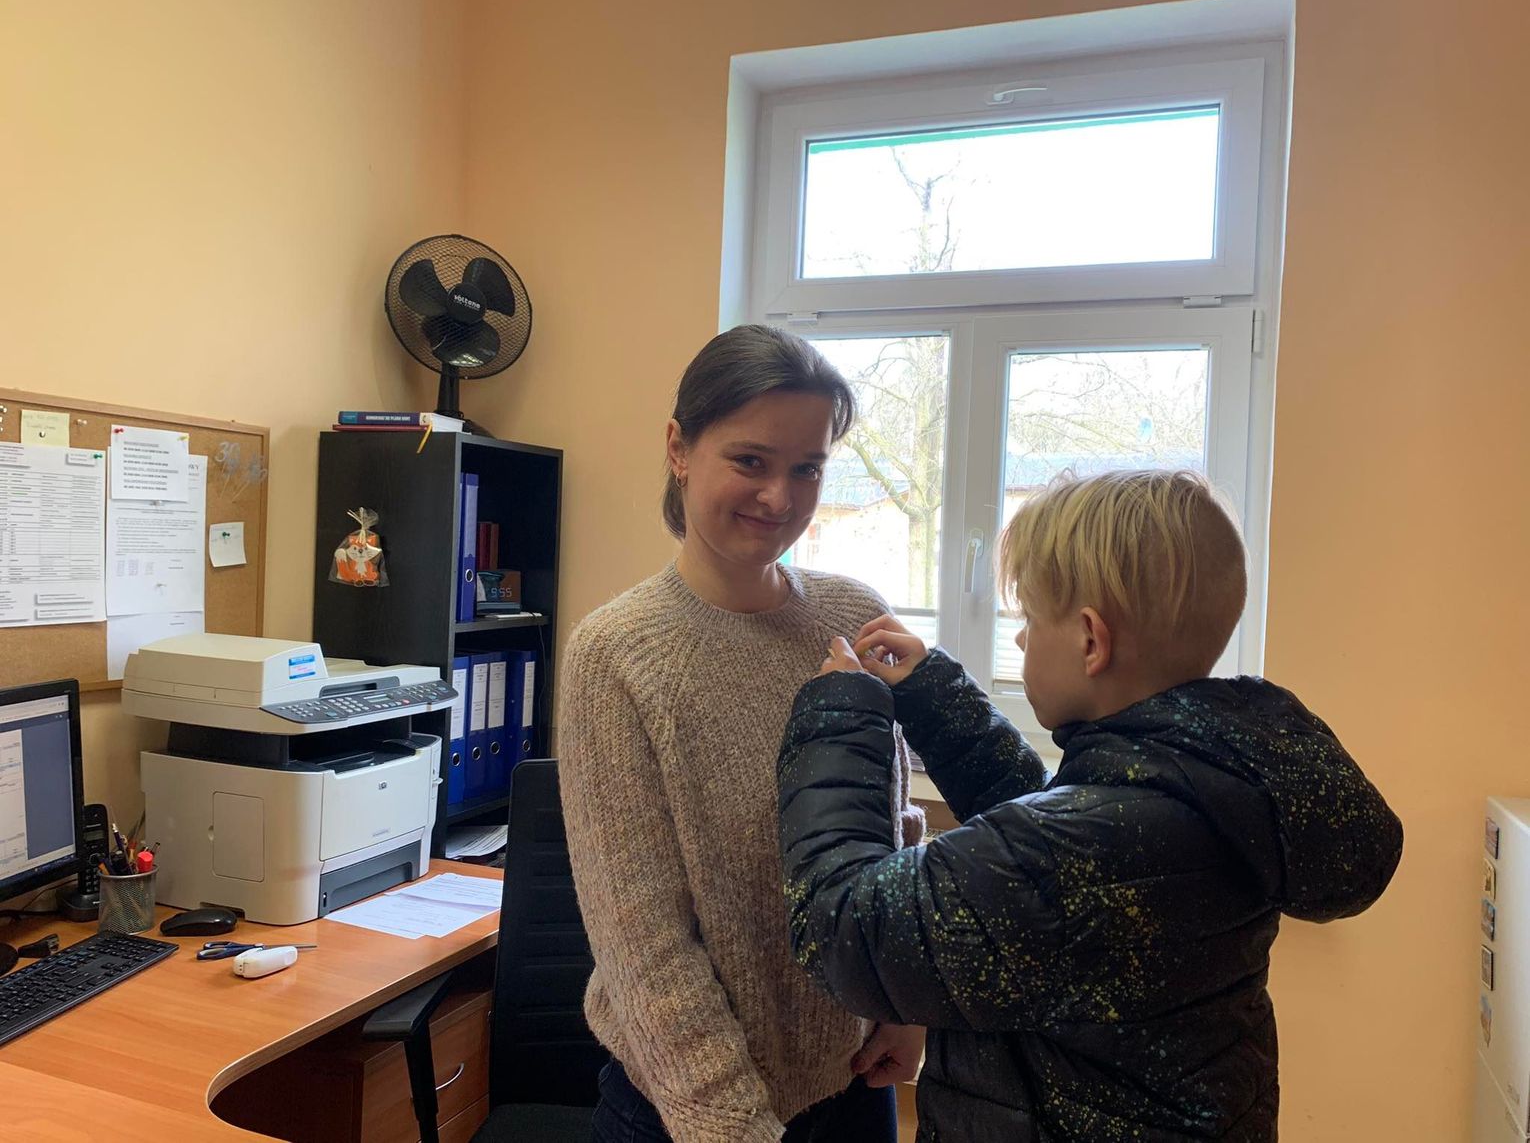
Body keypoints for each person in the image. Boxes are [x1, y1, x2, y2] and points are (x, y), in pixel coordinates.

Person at [776, 468, 1404, 1141]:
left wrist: (839, 717)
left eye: (1028, 620)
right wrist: (935, 696)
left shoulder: (1081, 852)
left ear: (1089, 641)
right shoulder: (1205, 788)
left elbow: (843, 928)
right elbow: (1051, 834)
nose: (1020, 640)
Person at [560, 324, 926, 1143]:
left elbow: (892, 840)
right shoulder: (616, 655)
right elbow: (642, 942)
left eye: (807, 469)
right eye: (751, 461)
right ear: (679, 449)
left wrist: (903, 1006)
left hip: (854, 1083)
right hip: (686, 1111)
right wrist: (730, 1125)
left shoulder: (852, 614)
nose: (779, 498)